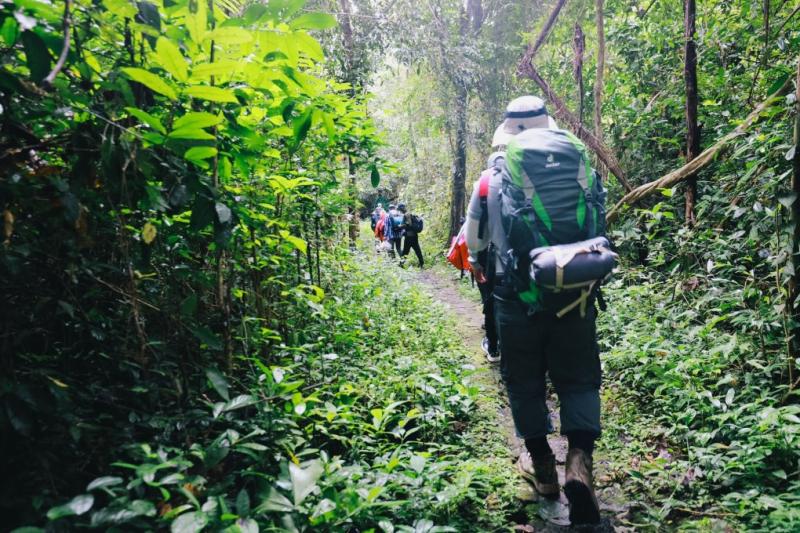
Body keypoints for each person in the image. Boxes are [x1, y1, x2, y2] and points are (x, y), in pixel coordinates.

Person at [465, 95, 606, 526]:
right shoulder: (579, 165)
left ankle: (543, 467)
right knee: (579, 376)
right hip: (574, 291)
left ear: (507, 134)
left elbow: (475, 245)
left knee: (523, 378)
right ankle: (579, 463)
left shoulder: (490, 180)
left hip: (516, 298)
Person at [467, 151, 505, 364]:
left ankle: (493, 348)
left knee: (491, 302)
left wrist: (473, 259)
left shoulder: (485, 185)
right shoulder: (529, 181)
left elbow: (473, 236)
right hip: (536, 262)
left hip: (497, 260)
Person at [399, 204, 424, 268]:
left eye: (400, 209)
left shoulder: (406, 215)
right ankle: (422, 264)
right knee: (417, 250)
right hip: (414, 236)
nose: (400, 210)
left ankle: (401, 264)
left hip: (409, 237)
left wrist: (400, 226)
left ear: (402, 209)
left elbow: (406, 225)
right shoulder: (412, 215)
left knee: (405, 251)